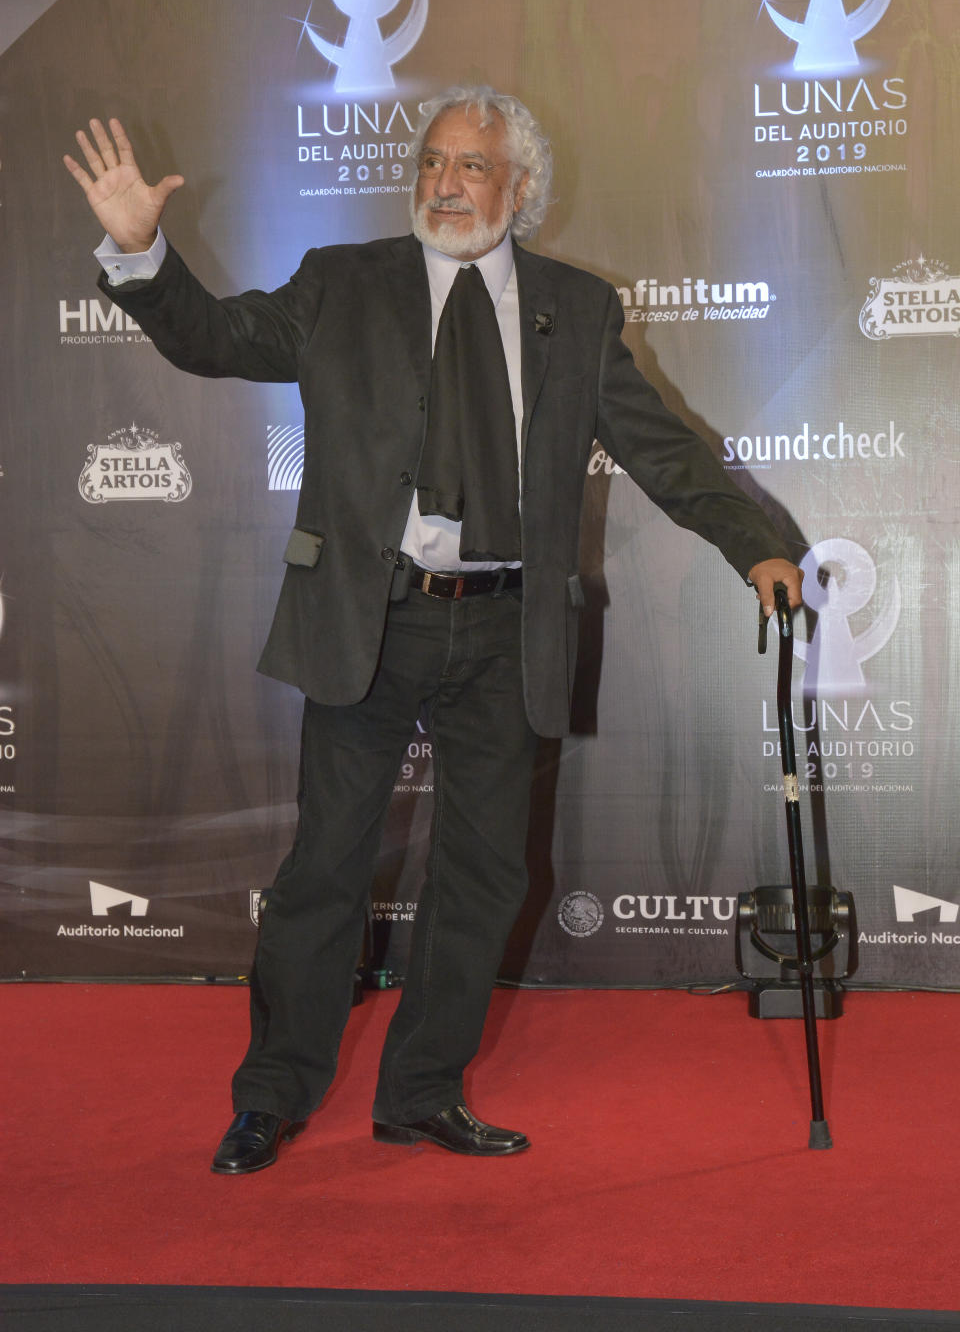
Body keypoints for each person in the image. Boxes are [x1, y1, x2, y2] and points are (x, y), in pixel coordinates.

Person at [64, 86, 803, 1175]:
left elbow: (666, 450)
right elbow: (216, 340)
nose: (446, 184)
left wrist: (756, 543)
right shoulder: (340, 282)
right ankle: (271, 1096)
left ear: (520, 191)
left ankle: (421, 1093)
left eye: (472, 167)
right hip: (372, 615)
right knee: (327, 865)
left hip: (508, 627)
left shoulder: (577, 310)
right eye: (433, 162)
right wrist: (142, 257)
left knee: (485, 873)